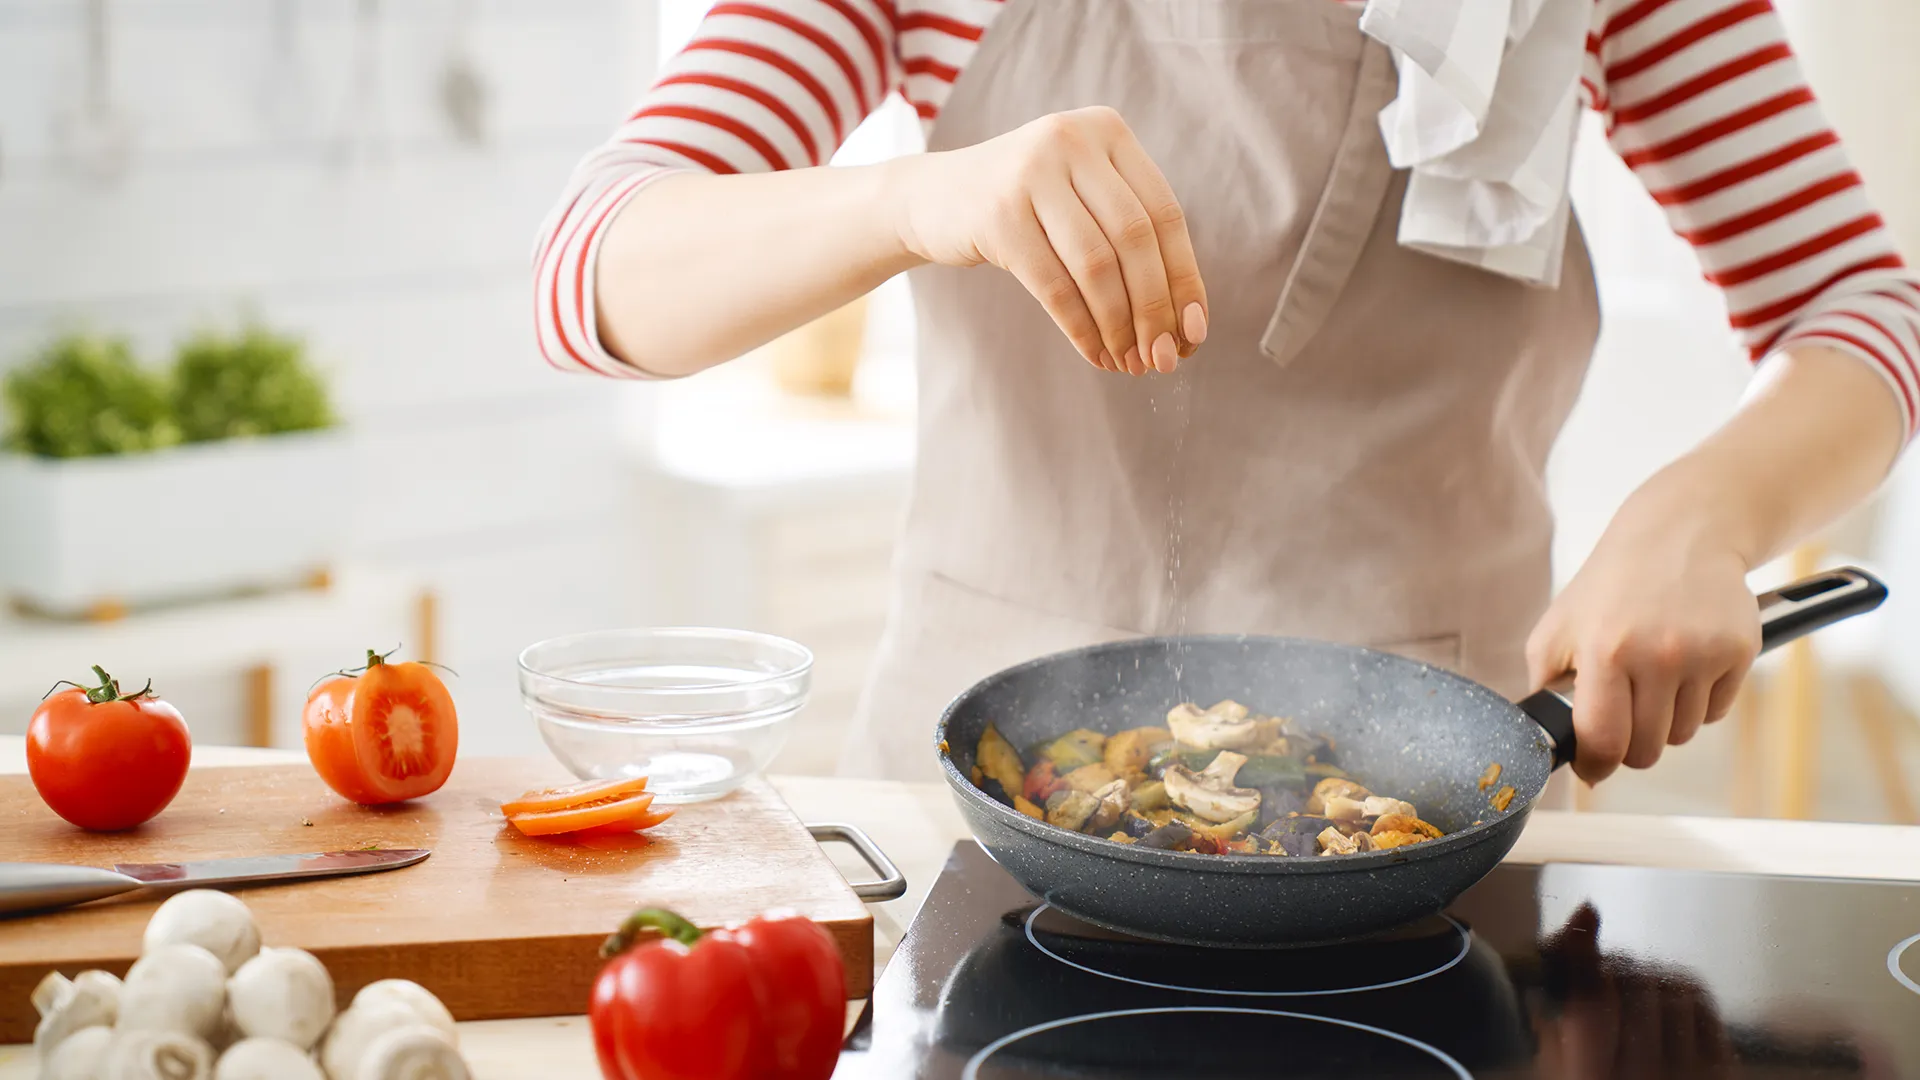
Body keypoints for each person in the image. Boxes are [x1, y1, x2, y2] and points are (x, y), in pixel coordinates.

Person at [533, 0, 1919, 787]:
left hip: (1435, 808)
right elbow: (588, 275)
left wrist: (1700, 514)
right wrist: (915, 195)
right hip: (970, 803)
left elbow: (1866, 308)